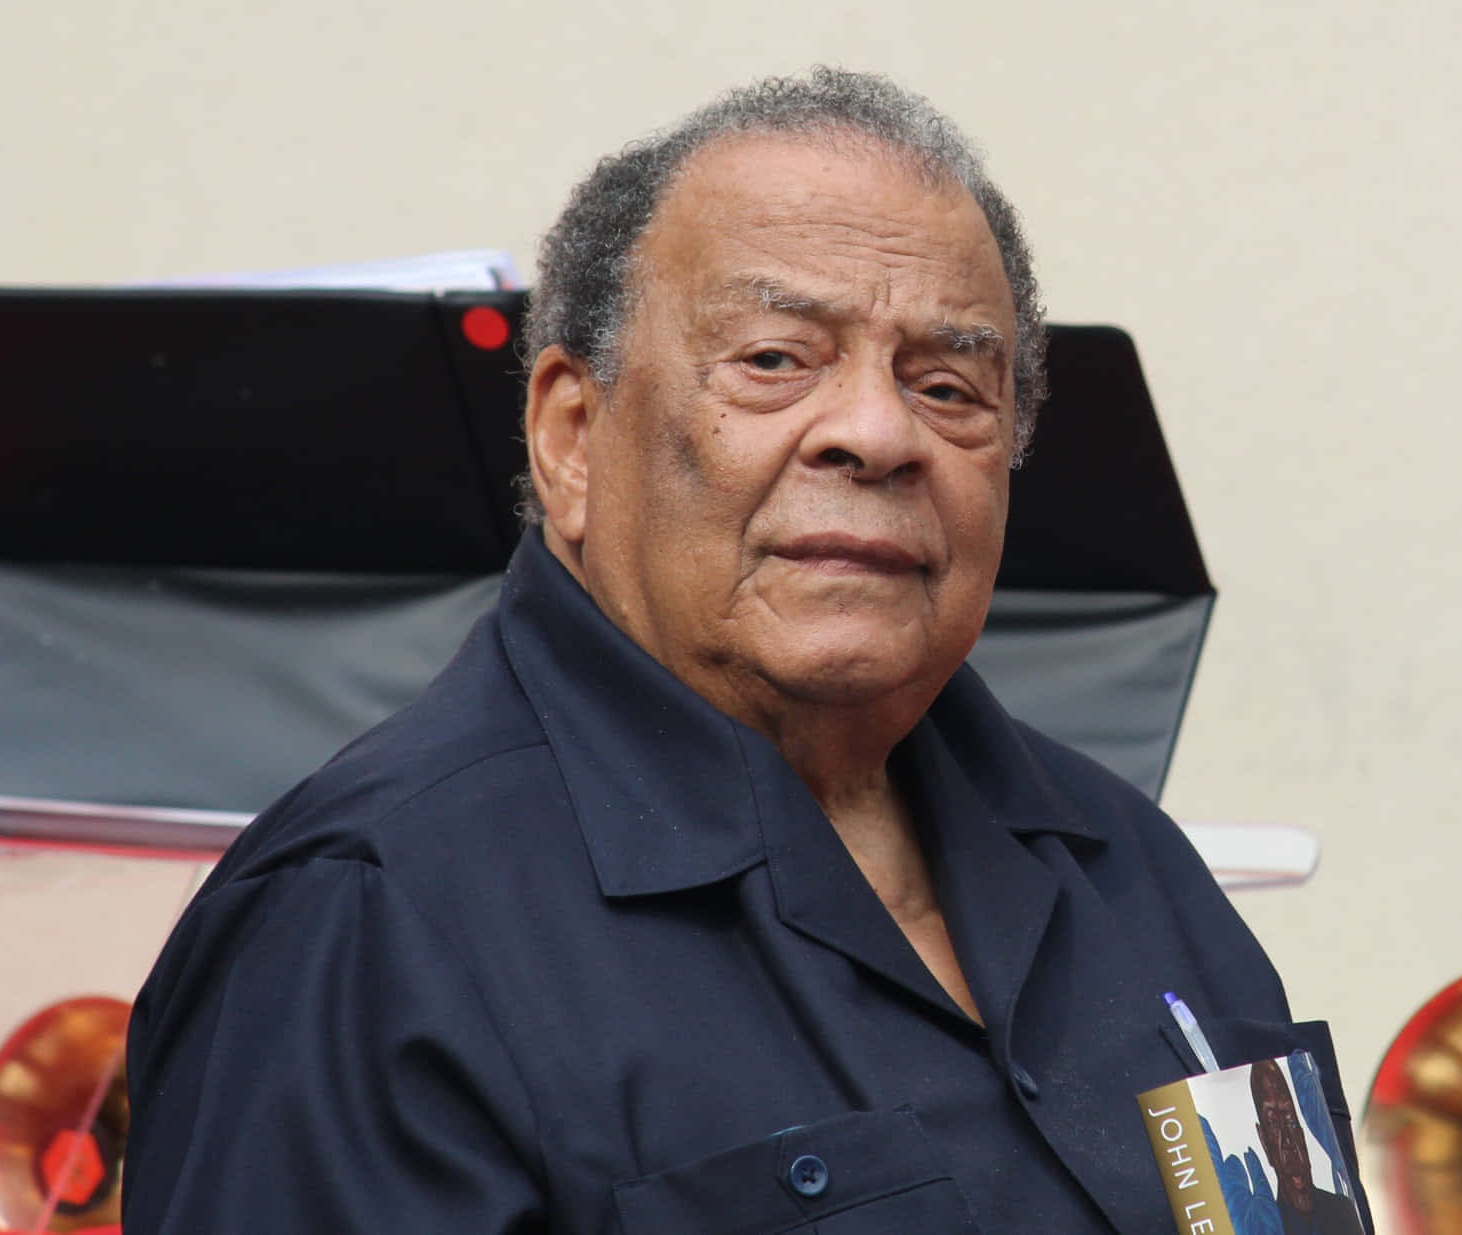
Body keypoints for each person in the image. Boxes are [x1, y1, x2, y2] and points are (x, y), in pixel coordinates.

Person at [123, 68, 1367, 1233]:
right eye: (775, 361)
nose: (878, 434)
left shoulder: (1128, 867)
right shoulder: (366, 919)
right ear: (569, 432)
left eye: (948, 387)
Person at [1252, 1060, 1366, 1235]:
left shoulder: (1342, 1211)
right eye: (1273, 1123)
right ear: (1264, 1142)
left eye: (1290, 1121)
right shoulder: (1268, 1228)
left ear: (1302, 1132)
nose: (1288, 1142)